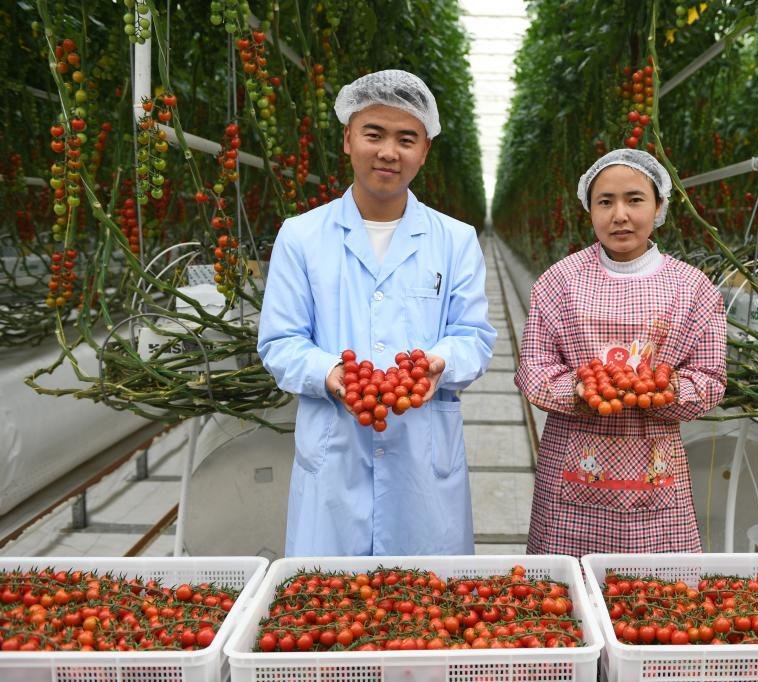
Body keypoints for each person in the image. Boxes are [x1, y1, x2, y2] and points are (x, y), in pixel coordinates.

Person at [257, 70, 496, 557]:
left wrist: (439, 363)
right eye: (374, 134)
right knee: (329, 613)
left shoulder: (455, 239)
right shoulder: (301, 236)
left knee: (425, 613)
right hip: (334, 454)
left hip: (421, 457)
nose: (389, 151)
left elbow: (473, 335)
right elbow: (279, 342)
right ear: (347, 139)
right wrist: (330, 374)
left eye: (406, 139)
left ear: (425, 150)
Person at [514, 148, 726, 557]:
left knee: (652, 598)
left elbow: (710, 377)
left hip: (656, 468)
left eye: (634, 199)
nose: (620, 215)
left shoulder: (693, 288)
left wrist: (665, 390)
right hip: (570, 464)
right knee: (566, 594)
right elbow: (535, 369)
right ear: (589, 209)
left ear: (660, 205)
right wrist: (579, 389)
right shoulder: (560, 281)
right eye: (605, 202)